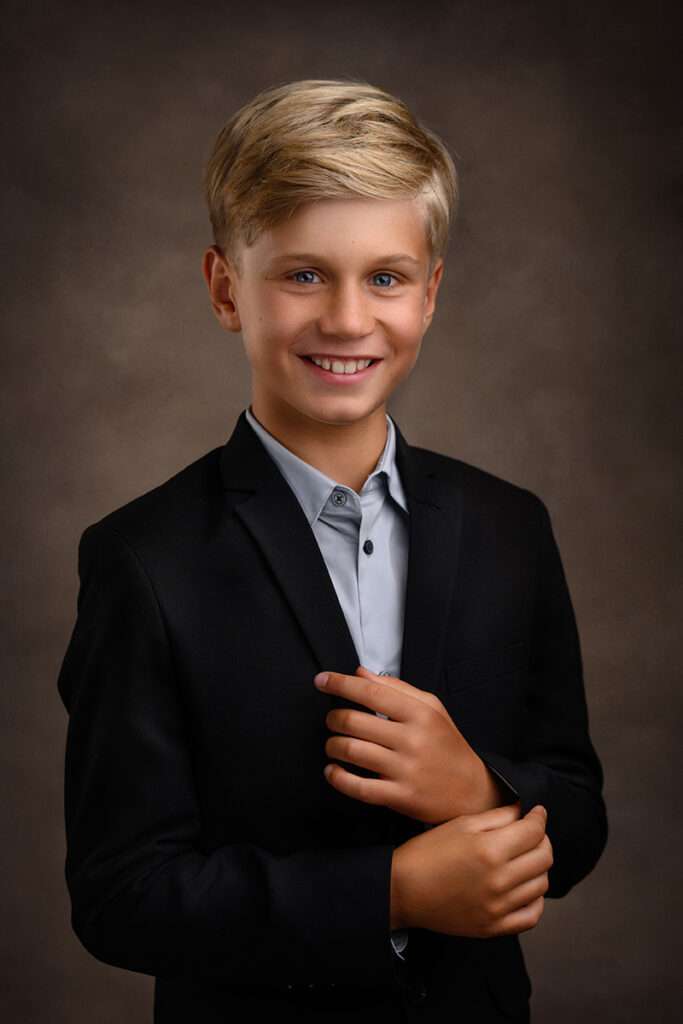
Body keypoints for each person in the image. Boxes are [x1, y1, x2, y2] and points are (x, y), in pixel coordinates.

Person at [57, 78, 607, 1023]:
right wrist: (388, 892)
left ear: (430, 295)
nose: (349, 320)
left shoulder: (510, 525)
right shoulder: (141, 560)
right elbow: (121, 899)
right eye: (303, 274)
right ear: (227, 287)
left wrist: (474, 786)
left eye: (386, 277)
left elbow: (581, 817)